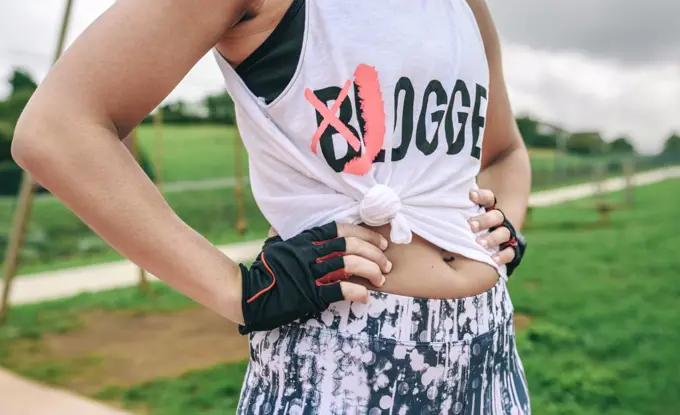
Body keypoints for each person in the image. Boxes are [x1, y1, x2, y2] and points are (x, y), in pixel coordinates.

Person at [12, 0, 532, 413]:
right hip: (340, 353)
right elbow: (56, 131)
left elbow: (504, 151)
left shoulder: (465, 4)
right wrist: (237, 291)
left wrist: (501, 227)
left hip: (488, 346)